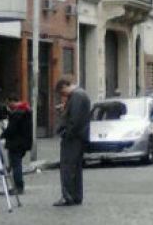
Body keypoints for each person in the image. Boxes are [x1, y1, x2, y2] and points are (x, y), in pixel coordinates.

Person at [54, 76, 90, 207]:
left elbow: (74, 120)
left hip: (73, 138)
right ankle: (76, 195)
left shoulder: (76, 96)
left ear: (65, 86)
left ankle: (68, 195)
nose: (63, 96)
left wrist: (66, 133)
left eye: (62, 93)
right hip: (79, 137)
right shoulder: (81, 95)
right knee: (75, 167)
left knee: (67, 167)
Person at [1, 95, 33, 195]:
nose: (8, 106)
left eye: (8, 104)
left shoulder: (17, 114)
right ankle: (18, 185)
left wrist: (2, 134)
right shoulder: (25, 111)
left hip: (16, 143)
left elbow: (12, 129)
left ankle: (18, 186)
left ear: (12, 102)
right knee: (16, 164)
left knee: (16, 165)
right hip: (23, 143)